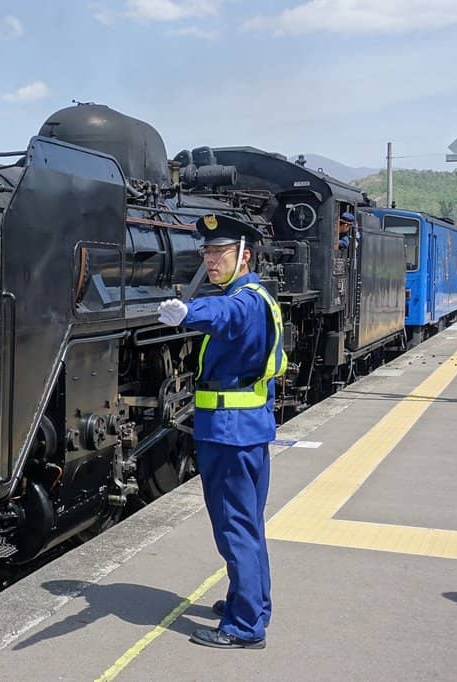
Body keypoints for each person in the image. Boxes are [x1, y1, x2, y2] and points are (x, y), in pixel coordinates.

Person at [155, 213, 287, 650]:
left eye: (221, 252)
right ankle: (251, 602)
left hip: (230, 434)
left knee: (234, 527)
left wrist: (188, 310)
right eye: (207, 252)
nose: (211, 260)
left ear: (244, 255)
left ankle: (245, 626)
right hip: (246, 430)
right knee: (247, 523)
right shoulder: (256, 295)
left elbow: (224, 314)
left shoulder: (244, 300)